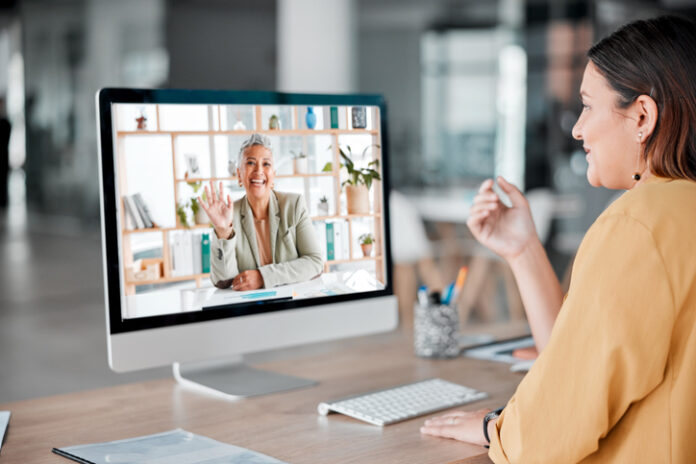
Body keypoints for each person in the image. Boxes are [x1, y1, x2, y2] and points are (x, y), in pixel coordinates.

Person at [420, 15, 696, 463]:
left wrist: (496, 428)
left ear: (642, 116)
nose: (576, 129)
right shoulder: (678, 214)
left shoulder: (638, 227)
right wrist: (524, 249)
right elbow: (575, 371)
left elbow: (551, 432)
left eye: (588, 106)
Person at [199, 133, 323, 290]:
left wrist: (263, 277)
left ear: (273, 174)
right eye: (250, 163)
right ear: (239, 174)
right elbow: (223, 281)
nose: (259, 170)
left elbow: (315, 262)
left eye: (266, 164)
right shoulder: (229, 214)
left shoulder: (294, 205)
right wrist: (223, 231)